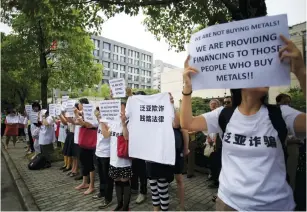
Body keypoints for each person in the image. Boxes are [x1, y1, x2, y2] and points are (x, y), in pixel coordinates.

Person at [180, 35, 306, 211]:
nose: (265, 74)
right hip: (228, 204)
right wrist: (187, 89)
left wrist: (301, 72)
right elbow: (187, 123)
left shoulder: (281, 114)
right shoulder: (223, 115)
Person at [101, 101, 132, 211]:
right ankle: (119, 204)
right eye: (118, 109)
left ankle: (126, 207)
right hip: (113, 158)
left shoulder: (129, 122)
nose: (120, 112)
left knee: (125, 181)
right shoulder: (112, 122)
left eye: (122, 109)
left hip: (123, 158)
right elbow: (105, 136)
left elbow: (127, 137)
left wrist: (123, 124)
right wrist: (101, 121)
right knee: (117, 181)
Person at [75, 98, 96, 195]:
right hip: (83, 142)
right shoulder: (82, 114)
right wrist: (76, 114)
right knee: (83, 162)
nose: (78, 105)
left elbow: (89, 125)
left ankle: (91, 185)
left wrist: (82, 121)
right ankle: (84, 182)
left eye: (79, 104)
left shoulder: (91, 114)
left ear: (83, 104)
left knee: (90, 164)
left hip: (90, 143)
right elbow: (77, 122)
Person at [93, 107, 114, 209]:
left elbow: (106, 135)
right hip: (98, 152)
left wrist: (101, 121)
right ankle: (102, 192)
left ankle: (108, 198)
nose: (98, 114)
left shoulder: (110, 122)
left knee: (107, 178)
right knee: (101, 176)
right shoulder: (100, 122)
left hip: (107, 154)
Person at [130, 90, 148, 204]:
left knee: (142, 172)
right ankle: (134, 188)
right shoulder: (131, 112)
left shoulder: (148, 112)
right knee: (133, 169)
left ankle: (143, 192)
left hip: (144, 147)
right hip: (133, 146)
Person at [173, 109, 190, 211]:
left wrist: (185, 148)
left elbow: (184, 131)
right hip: (164, 153)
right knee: (163, 180)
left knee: (179, 179)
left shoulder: (177, 113)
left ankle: (182, 206)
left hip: (177, 151)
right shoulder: (160, 113)